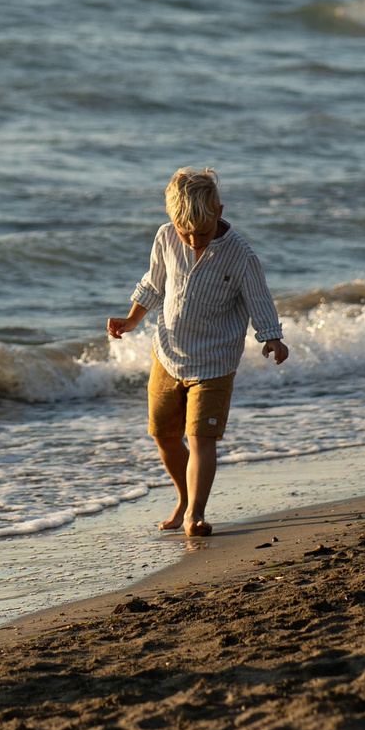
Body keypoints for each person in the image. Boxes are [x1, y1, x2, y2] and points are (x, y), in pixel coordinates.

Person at [106, 167, 288, 538]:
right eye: (183, 231)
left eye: (201, 233)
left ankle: (195, 514)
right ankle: (184, 498)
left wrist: (271, 336)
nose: (191, 241)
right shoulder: (165, 238)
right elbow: (154, 284)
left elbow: (259, 298)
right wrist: (130, 320)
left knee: (201, 439)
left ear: (219, 212)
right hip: (168, 355)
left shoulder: (240, 255)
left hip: (215, 363)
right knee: (164, 435)